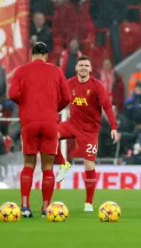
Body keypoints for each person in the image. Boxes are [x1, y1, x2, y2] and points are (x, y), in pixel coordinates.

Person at [8, 42, 71, 218]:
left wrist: (27, 105)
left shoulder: (21, 71)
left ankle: (25, 207)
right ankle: (46, 209)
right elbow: (67, 97)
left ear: (31, 54)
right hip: (50, 122)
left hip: (29, 122)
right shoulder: (56, 71)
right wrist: (53, 108)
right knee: (48, 167)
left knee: (28, 165)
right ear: (46, 55)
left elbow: (12, 94)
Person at [54, 56, 119, 211]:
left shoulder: (97, 86)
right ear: (76, 68)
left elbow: (108, 107)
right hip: (72, 124)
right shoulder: (69, 83)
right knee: (50, 134)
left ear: (90, 69)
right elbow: (57, 101)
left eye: (86, 65)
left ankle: (88, 203)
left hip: (90, 130)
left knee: (88, 165)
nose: (83, 68)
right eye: (81, 65)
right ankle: (63, 164)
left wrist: (113, 127)